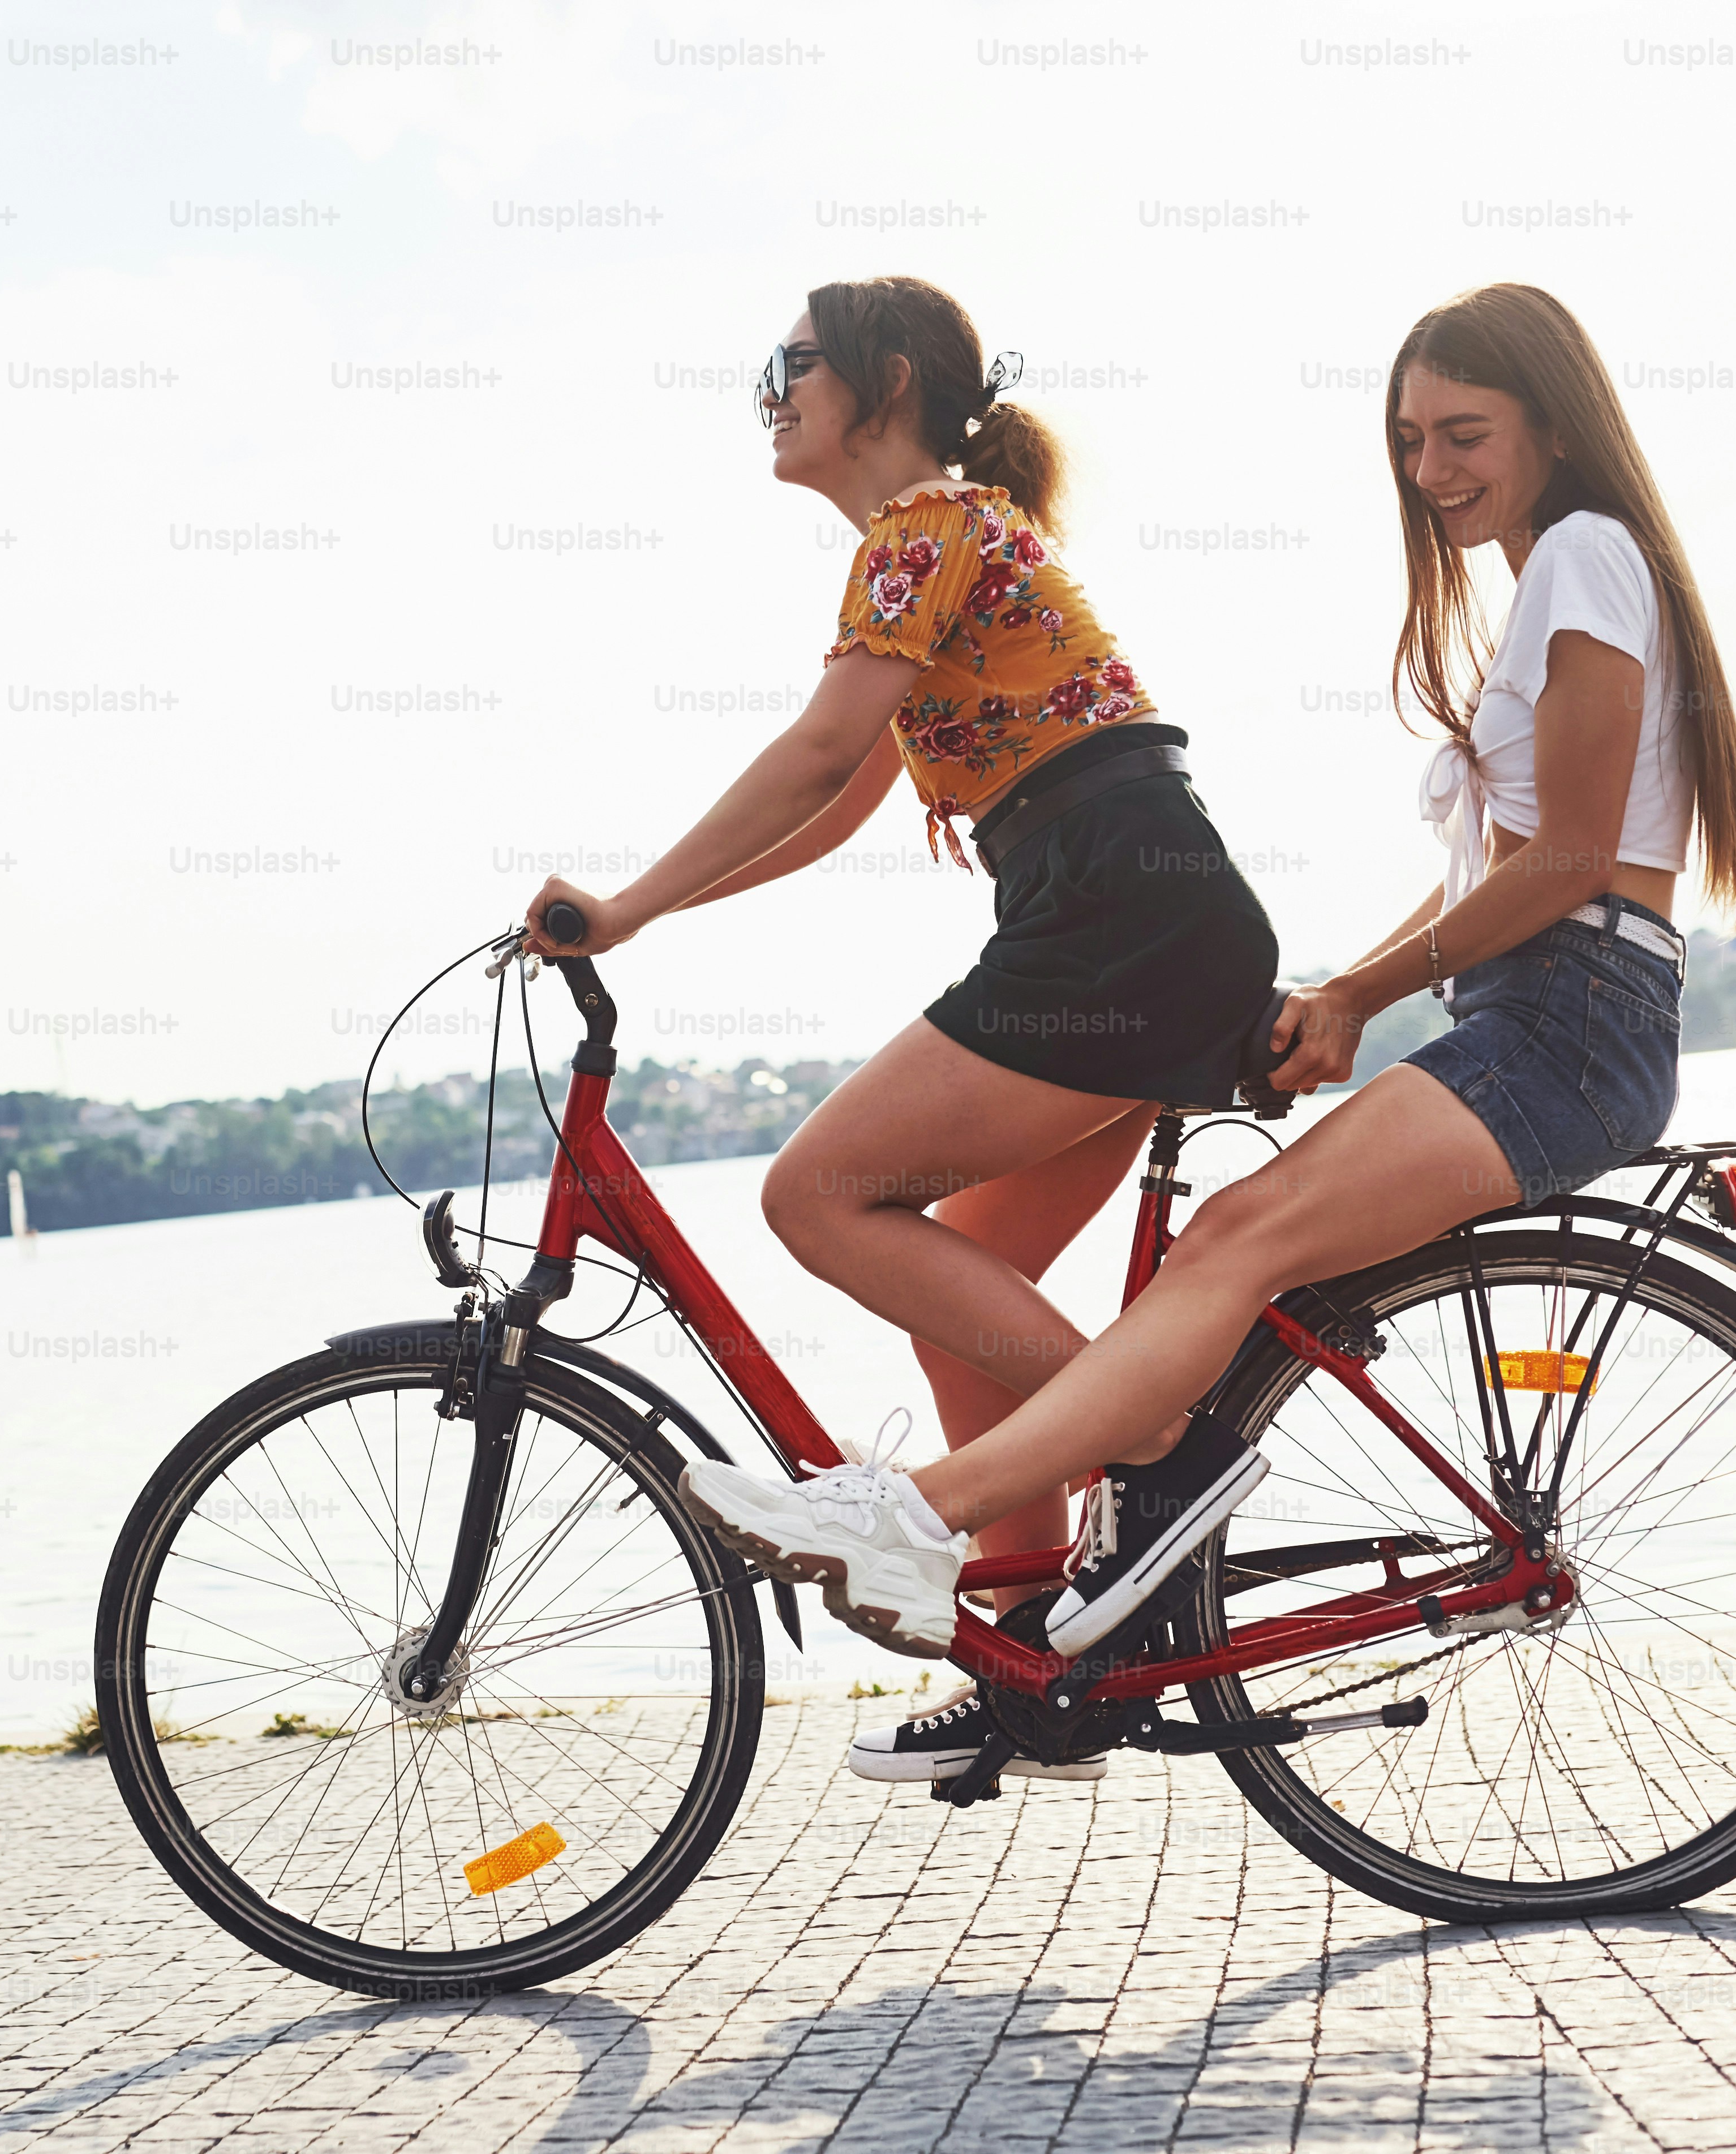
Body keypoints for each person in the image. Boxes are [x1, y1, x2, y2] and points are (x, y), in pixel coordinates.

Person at [677, 283, 1736, 1786]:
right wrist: (1340, 994)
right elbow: (1518, 871)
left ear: (1555, 427)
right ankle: (1068, 1634)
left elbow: (1572, 862)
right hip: (1535, 1011)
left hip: (1572, 1024)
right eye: (1411, 441)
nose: (1433, 470)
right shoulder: (1556, 581)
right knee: (1137, 1258)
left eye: (1466, 434)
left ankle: (931, 1510)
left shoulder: (1586, 560)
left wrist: (1359, 997)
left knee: (1235, 1241)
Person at [519, 276, 1285, 1782]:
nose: (767, 391)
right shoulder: (930, 547)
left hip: (1114, 908)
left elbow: (814, 752)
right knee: (969, 1279)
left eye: (787, 364)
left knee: (815, 1194)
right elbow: (846, 791)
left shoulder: (923, 532)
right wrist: (653, 915)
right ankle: (1056, 1655)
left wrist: (621, 904)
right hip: (1136, 905)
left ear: (878, 384)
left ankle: (1158, 1449)